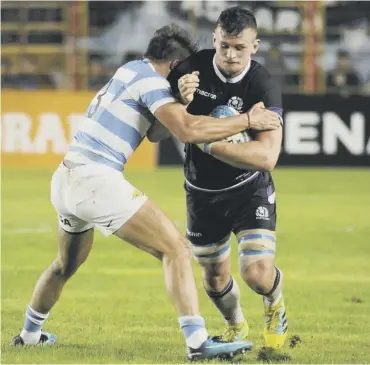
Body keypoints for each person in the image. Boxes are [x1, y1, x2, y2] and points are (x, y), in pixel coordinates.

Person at [10, 23, 280, 361]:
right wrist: (247, 120)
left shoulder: (131, 70)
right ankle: (197, 344)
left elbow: (155, 133)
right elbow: (187, 129)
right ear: (174, 64)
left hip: (66, 177)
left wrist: (181, 99)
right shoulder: (154, 82)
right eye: (184, 70)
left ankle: (30, 335)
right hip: (96, 180)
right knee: (177, 250)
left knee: (66, 263)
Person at [167, 7, 288, 356]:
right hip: (201, 192)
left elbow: (267, 157)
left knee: (257, 274)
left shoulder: (263, 85)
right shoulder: (191, 71)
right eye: (224, 46)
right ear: (214, 41)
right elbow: (165, 126)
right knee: (214, 279)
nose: (231, 55)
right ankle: (235, 325)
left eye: (240, 47)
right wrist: (179, 99)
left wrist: (207, 141)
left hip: (250, 190)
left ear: (255, 46)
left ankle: (275, 304)